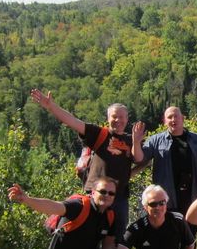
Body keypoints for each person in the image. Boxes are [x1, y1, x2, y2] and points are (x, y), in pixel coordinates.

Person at [30, 89, 134, 235]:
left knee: (115, 239)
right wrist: (51, 107)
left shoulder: (132, 140)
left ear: (127, 119)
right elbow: (73, 121)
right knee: (89, 235)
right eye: (114, 117)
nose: (118, 120)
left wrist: (128, 174)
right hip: (96, 194)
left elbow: (142, 161)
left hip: (119, 198)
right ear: (108, 118)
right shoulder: (100, 134)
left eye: (122, 117)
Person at [131, 106, 197, 215]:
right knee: (170, 230)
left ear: (182, 119)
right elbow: (139, 159)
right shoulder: (155, 141)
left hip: (193, 196)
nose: (173, 120)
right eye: (169, 117)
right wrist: (136, 142)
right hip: (166, 199)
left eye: (176, 116)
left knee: (190, 230)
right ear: (164, 121)